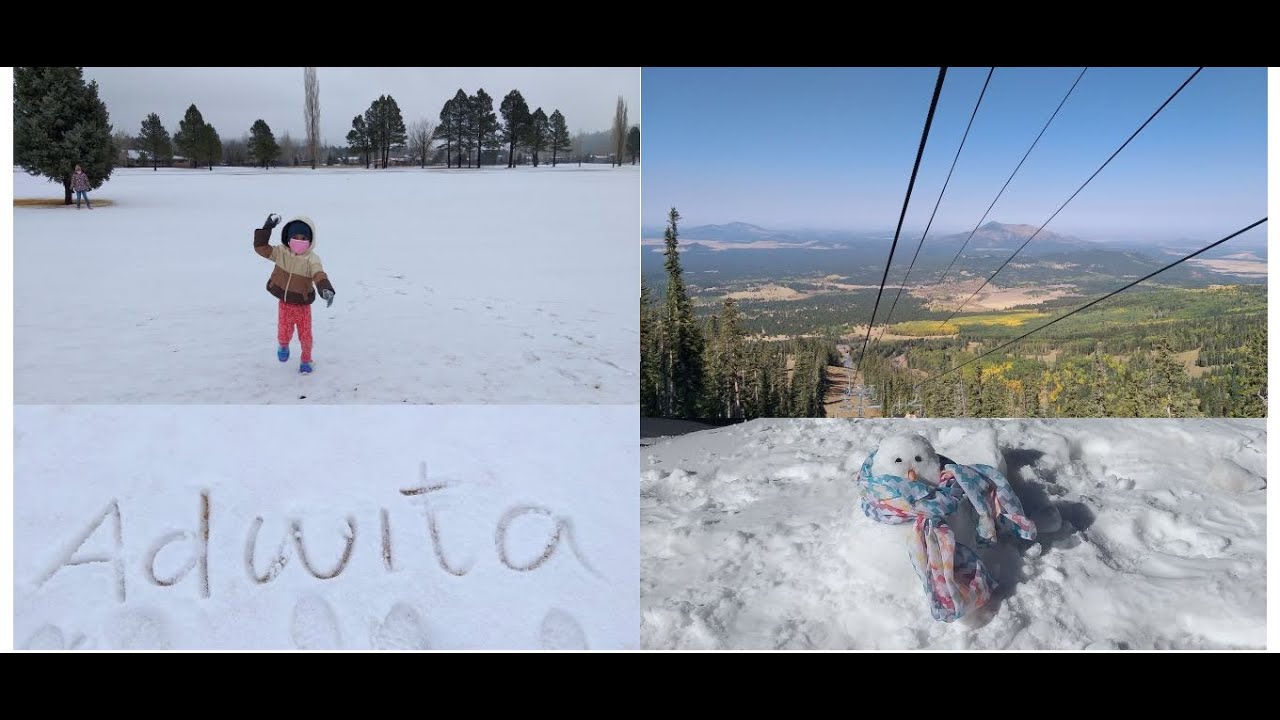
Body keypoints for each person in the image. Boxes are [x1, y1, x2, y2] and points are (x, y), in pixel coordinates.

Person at [253, 214, 336, 374]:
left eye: (303, 238)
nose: (299, 241)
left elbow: (319, 274)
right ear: (288, 238)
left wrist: (325, 288)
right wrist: (267, 227)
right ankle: (283, 346)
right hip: (284, 305)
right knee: (284, 333)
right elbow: (261, 248)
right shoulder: (281, 253)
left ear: (310, 240)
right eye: (295, 237)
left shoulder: (312, 259)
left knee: (306, 337)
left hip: (303, 307)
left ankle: (306, 360)